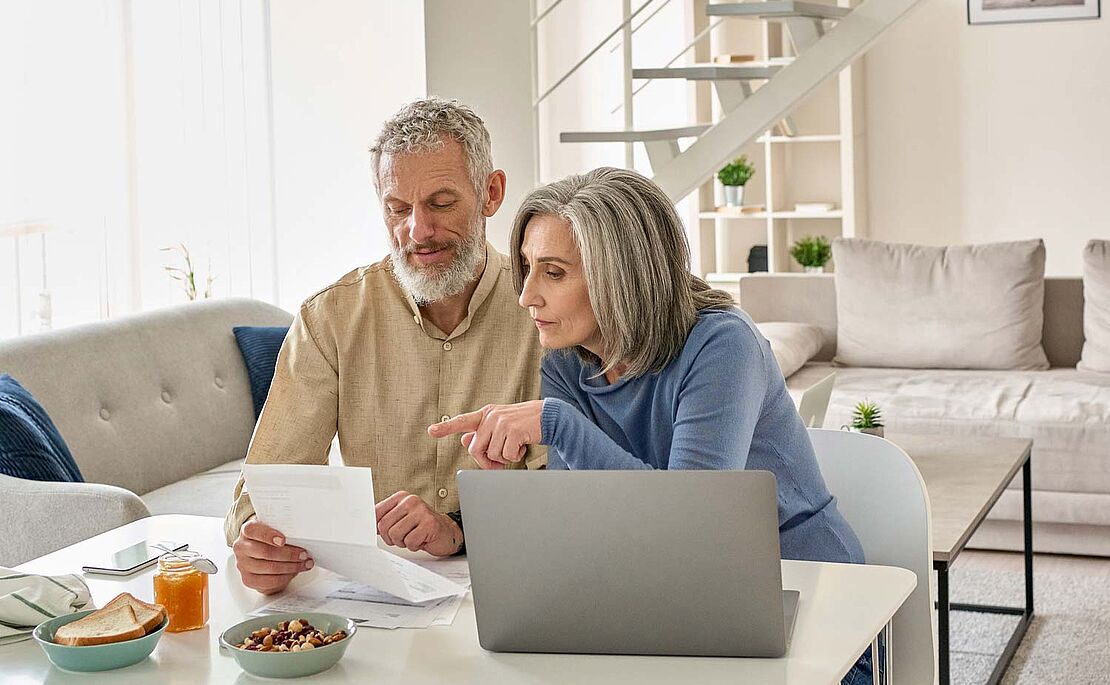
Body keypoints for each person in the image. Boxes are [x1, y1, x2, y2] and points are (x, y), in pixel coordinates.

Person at [430, 167, 875, 684]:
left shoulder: (721, 346)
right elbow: (602, 522)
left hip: (807, 602)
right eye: (527, 268)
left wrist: (561, 426)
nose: (527, 295)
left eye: (553, 273)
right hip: (675, 602)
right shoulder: (567, 362)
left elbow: (691, 528)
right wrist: (470, 526)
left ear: (624, 275)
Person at [225, 97, 543, 596]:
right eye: (397, 208)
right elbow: (261, 492)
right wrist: (258, 543)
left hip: (517, 581)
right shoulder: (330, 318)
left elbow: (570, 497)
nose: (417, 231)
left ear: (491, 193)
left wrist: (456, 530)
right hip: (376, 597)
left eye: (440, 203)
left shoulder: (545, 313)